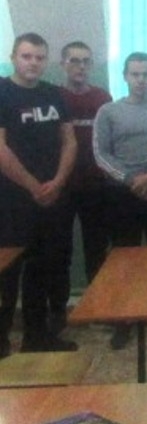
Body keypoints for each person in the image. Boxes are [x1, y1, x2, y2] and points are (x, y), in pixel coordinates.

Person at [93, 51, 147, 349]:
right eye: (135, 74)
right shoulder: (108, 112)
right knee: (123, 260)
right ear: (125, 76)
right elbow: (101, 153)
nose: (141, 79)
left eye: (146, 74)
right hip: (121, 195)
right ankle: (124, 320)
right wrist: (132, 180)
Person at [0, 32, 78, 355]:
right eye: (26, 56)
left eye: (39, 57)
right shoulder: (2, 91)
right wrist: (34, 186)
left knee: (42, 268)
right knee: (7, 271)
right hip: (12, 200)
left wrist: (57, 182)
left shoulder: (53, 93)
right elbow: (0, 148)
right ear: (13, 58)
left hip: (51, 197)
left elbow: (69, 140)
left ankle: (36, 336)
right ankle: (1, 338)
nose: (33, 63)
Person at [58, 42, 112, 306]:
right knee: (60, 249)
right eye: (74, 61)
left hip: (96, 185)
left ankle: (97, 306)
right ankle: (59, 308)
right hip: (62, 186)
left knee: (97, 248)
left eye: (86, 61)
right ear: (63, 64)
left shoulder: (103, 98)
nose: (81, 67)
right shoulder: (55, 97)